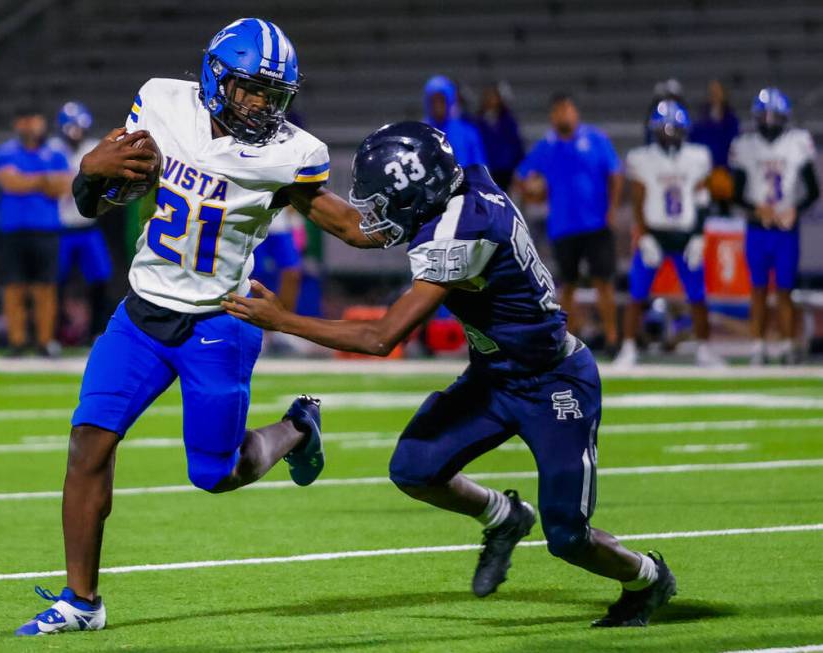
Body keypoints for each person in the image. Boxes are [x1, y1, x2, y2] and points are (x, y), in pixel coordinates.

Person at [224, 122, 677, 628]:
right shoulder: (462, 187)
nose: (379, 213)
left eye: (386, 200)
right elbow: (358, 227)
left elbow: (381, 337)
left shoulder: (464, 227)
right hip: (495, 376)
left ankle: (648, 577)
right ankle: (503, 517)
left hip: (553, 383)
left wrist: (281, 319)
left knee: (569, 537)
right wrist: (287, 185)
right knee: (414, 468)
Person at [15, 18, 379, 636]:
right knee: (88, 445)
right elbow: (95, 201)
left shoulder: (292, 153)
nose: (262, 105)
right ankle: (82, 601)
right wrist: (90, 169)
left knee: (216, 473)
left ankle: (296, 426)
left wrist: (432, 222)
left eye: (273, 94)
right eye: (250, 89)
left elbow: (349, 226)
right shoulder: (160, 102)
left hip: (219, 321)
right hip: (141, 314)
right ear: (215, 78)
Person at [614, 100, 725, 368]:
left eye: (674, 129)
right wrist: (644, 235)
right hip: (656, 233)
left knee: (698, 295)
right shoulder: (643, 158)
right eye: (664, 129)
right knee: (637, 293)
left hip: (686, 234)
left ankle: (704, 348)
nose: (669, 134)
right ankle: (628, 347)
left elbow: (701, 197)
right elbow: (639, 201)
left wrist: (699, 235)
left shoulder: (697, 157)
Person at [515, 93, 623, 353]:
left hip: (596, 222)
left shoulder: (596, 139)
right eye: (558, 110)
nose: (563, 115)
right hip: (563, 226)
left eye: (567, 109)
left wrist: (612, 209)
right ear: (553, 116)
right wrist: (533, 193)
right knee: (567, 286)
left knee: (603, 282)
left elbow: (616, 174)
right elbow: (521, 177)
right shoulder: (547, 147)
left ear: (575, 112)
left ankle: (612, 339)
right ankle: (569, 341)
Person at [729, 88, 820, 365]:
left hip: (785, 229)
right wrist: (756, 209)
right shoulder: (745, 145)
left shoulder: (797, 142)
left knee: (784, 290)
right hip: (758, 227)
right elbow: (736, 193)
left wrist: (795, 209)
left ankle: (788, 343)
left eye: (774, 115)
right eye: (764, 116)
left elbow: (813, 190)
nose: (769, 121)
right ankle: (757, 345)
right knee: (757, 290)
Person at [0, 107, 70, 358]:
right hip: (14, 228)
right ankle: (16, 341)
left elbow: (64, 186)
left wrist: (27, 180)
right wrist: (43, 181)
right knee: (14, 287)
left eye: (34, 120)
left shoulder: (56, 153)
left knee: (45, 287)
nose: (30, 126)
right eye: (25, 120)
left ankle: (45, 341)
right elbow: (9, 183)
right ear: (18, 124)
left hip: (46, 228)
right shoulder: (6, 152)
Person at [54, 101, 114, 342]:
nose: (77, 132)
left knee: (100, 277)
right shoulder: (53, 150)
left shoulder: (93, 148)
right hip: (59, 228)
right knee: (56, 282)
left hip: (88, 226)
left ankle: (95, 330)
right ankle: (56, 332)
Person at [690, 81, 740, 213]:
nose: (715, 94)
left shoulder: (731, 120)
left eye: (717, 91)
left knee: (724, 215)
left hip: (724, 174)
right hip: (704, 175)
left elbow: (734, 146)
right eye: (712, 91)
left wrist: (727, 171)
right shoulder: (701, 120)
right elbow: (693, 144)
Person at [423, 75, 486, 167]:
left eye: (441, 100)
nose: (438, 105)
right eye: (434, 100)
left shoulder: (468, 132)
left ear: (449, 101)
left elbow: (480, 168)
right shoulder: (422, 133)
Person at [475, 84, 524, 189]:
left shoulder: (508, 120)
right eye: (488, 97)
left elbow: (516, 144)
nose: (491, 100)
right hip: (488, 167)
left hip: (506, 169)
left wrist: (517, 166)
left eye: (493, 96)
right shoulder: (478, 122)